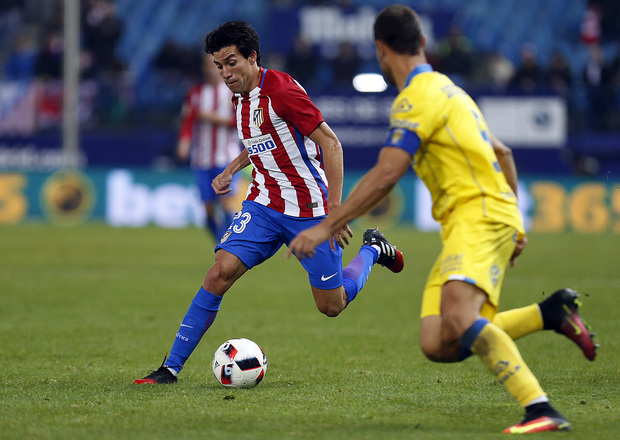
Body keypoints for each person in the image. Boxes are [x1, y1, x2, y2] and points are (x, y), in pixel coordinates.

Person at [286, 5, 597, 434]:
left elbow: (388, 173)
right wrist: (515, 220)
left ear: (380, 49)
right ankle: (549, 313)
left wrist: (326, 224)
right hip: (478, 220)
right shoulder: (452, 91)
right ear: (422, 43)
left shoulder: (415, 98)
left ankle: (539, 407)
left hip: (478, 216)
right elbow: (503, 152)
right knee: (438, 341)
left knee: (457, 312)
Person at [134, 21, 404, 385]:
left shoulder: (282, 91)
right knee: (219, 273)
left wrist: (336, 212)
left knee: (332, 305)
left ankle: (372, 250)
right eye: (219, 66)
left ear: (252, 57)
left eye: (231, 63)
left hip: (309, 209)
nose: (225, 73)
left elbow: (331, 144)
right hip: (263, 204)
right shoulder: (240, 97)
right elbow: (262, 141)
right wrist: (230, 170)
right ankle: (170, 369)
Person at [176, 53, 241, 240]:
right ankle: (222, 243)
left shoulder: (233, 93)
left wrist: (211, 117)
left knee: (227, 203)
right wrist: (184, 141)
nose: (212, 69)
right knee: (208, 211)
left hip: (226, 158)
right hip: (201, 159)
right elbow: (187, 121)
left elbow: (238, 122)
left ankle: (231, 246)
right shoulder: (195, 93)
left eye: (216, 65)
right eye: (208, 65)